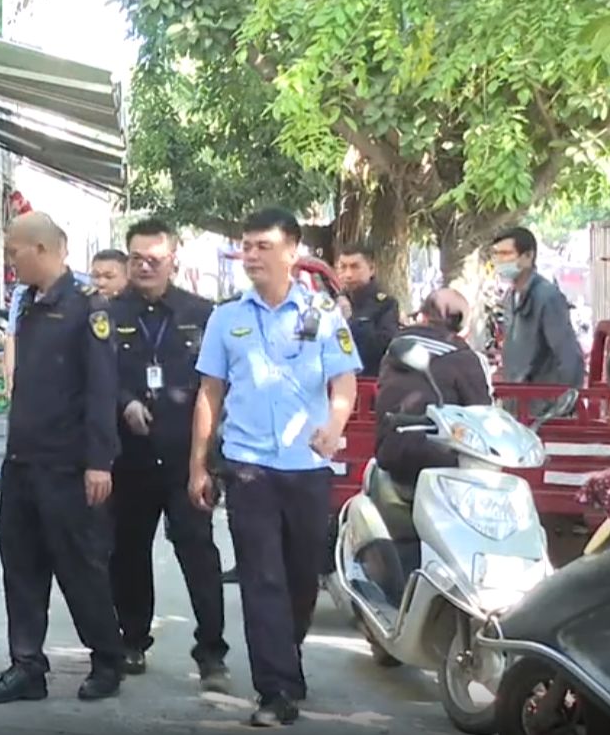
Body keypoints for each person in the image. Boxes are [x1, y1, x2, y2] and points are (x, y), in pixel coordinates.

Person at [188, 208, 361, 727]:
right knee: (261, 579)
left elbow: (344, 382)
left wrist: (333, 425)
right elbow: (210, 393)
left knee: (302, 579)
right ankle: (276, 689)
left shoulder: (322, 313)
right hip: (248, 468)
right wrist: (198, 465)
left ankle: (288, 654)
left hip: (307, 467)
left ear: (292, 251)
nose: (251, 255)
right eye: (246, 246)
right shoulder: (226, 318)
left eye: (263, 245)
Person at [0, 211, 128, 705]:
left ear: (40, 249)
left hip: (67, 465)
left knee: (80, 569)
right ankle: (26, 666)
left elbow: (102, 389)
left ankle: (107, 659)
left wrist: (99, 461)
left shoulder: (88, 308)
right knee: (21, 565)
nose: (10, 260)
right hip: (23, 461)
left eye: (14, 251)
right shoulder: (30, 304)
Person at [107, 218, 230, 691]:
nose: (144, 267)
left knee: (199, 553)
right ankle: (133, 639)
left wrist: (210, 460)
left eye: (154, 260)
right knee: (128, 553)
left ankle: (212, 652)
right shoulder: (108, 313)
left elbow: (216, 385)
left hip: (186, 458)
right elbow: (98, 375)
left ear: (173, 260)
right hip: (130, 457)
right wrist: (125, 402)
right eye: (136, 258)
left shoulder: (202, 313)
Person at [374, 289, 493, 488]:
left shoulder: (395, 347)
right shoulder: (463, 357)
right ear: (461, 323)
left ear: (424, 314)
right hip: (441, 460)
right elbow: (482, 413)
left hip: (389, 453)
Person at [491, 227, 585, 387]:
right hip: (518, 396)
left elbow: (568, 357)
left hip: (541, 397)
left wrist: (565, 398)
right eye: (496, 254)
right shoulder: (510, 297)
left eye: (506, 254)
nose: (500, 261)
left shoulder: (546, 297)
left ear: (528, 256)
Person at [334, 243, 401, 377]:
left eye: (355, 267)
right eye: (343, 267)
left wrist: (351, 321)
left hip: (368, 380)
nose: (348, 274)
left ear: (371, 269)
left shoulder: (385, 305)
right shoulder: (330, 302)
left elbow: (382, 349)